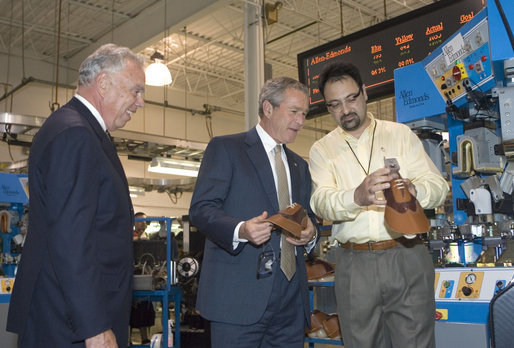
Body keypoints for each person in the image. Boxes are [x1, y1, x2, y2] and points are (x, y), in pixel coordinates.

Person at [7, 43, 145, 348]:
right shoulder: (76, 134)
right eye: (135, 91)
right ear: (104, 83)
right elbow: (71, 239)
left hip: (70, 316)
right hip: (69, 324)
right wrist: (94, 327)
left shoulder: (82, 131)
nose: (140, 103)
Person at [309, 62, 449, 348]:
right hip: (353, 264)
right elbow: (321, 202)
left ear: (365, 93)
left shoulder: (400, 135)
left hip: (406, 255)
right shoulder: (322, 149)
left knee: (416, 343)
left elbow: (439, 187)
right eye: (335, 105)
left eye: (351, 99)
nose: (345, 110)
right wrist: (356, 197)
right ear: (327, 107)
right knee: (361, 342)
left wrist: (415, 190)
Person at [189, 76, 318, 348]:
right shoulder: (226, 149)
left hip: (290, 301)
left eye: (304, 114)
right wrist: (241, 230)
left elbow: (307, 216)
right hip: (238, 298)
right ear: (268, 108)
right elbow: (201, 209)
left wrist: (311, 232)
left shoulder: (299, 166)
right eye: (294, 112)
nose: (301, 121)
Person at [130, 212, 155, 345]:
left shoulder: (147, 240)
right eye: (140, 221)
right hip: (130, 281)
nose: (143, 224)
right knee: (131, 311)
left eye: (145, 222)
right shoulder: (129, 237)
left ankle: (145, 338)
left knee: (145, 309)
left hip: (144, 280)